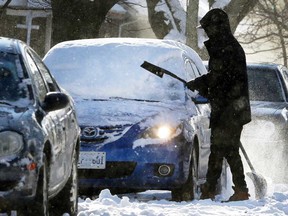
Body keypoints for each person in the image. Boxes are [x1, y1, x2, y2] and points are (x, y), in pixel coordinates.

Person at [187, 8, 251, 201]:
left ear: (217, 27)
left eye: (208, 28)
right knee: (219, 150)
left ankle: (239, 190)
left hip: (230, 109)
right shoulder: (225, 46)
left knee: (227, 150)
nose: (206, 32)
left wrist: (200, 84)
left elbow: (219, 78)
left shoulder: (226, 48)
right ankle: (212, 188)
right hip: (229, 108)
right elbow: (219, 77)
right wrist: (203, 84)